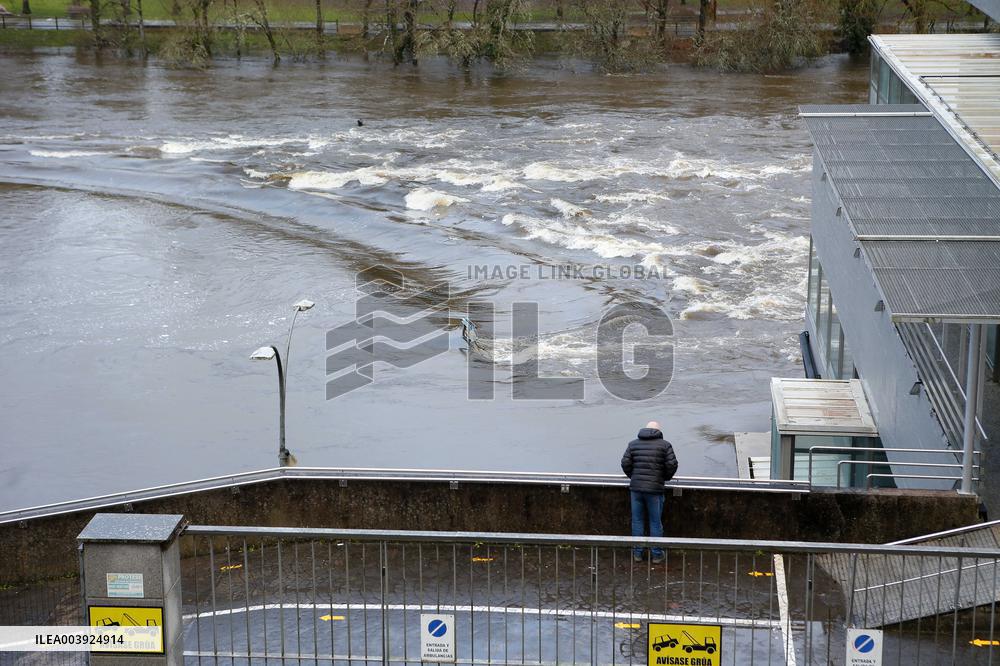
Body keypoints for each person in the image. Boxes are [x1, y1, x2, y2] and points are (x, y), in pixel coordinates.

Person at [621, 421, 678, 563]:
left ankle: (638, 554)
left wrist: (633, 477)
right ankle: (657, 554)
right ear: (658, 431)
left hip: (636, 489)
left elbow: (625, 463)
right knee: (655, 522)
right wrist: (664, 478)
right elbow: (672, 464)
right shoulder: (665, 445)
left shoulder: (633, 444)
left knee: (637, 521)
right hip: (654, 490)